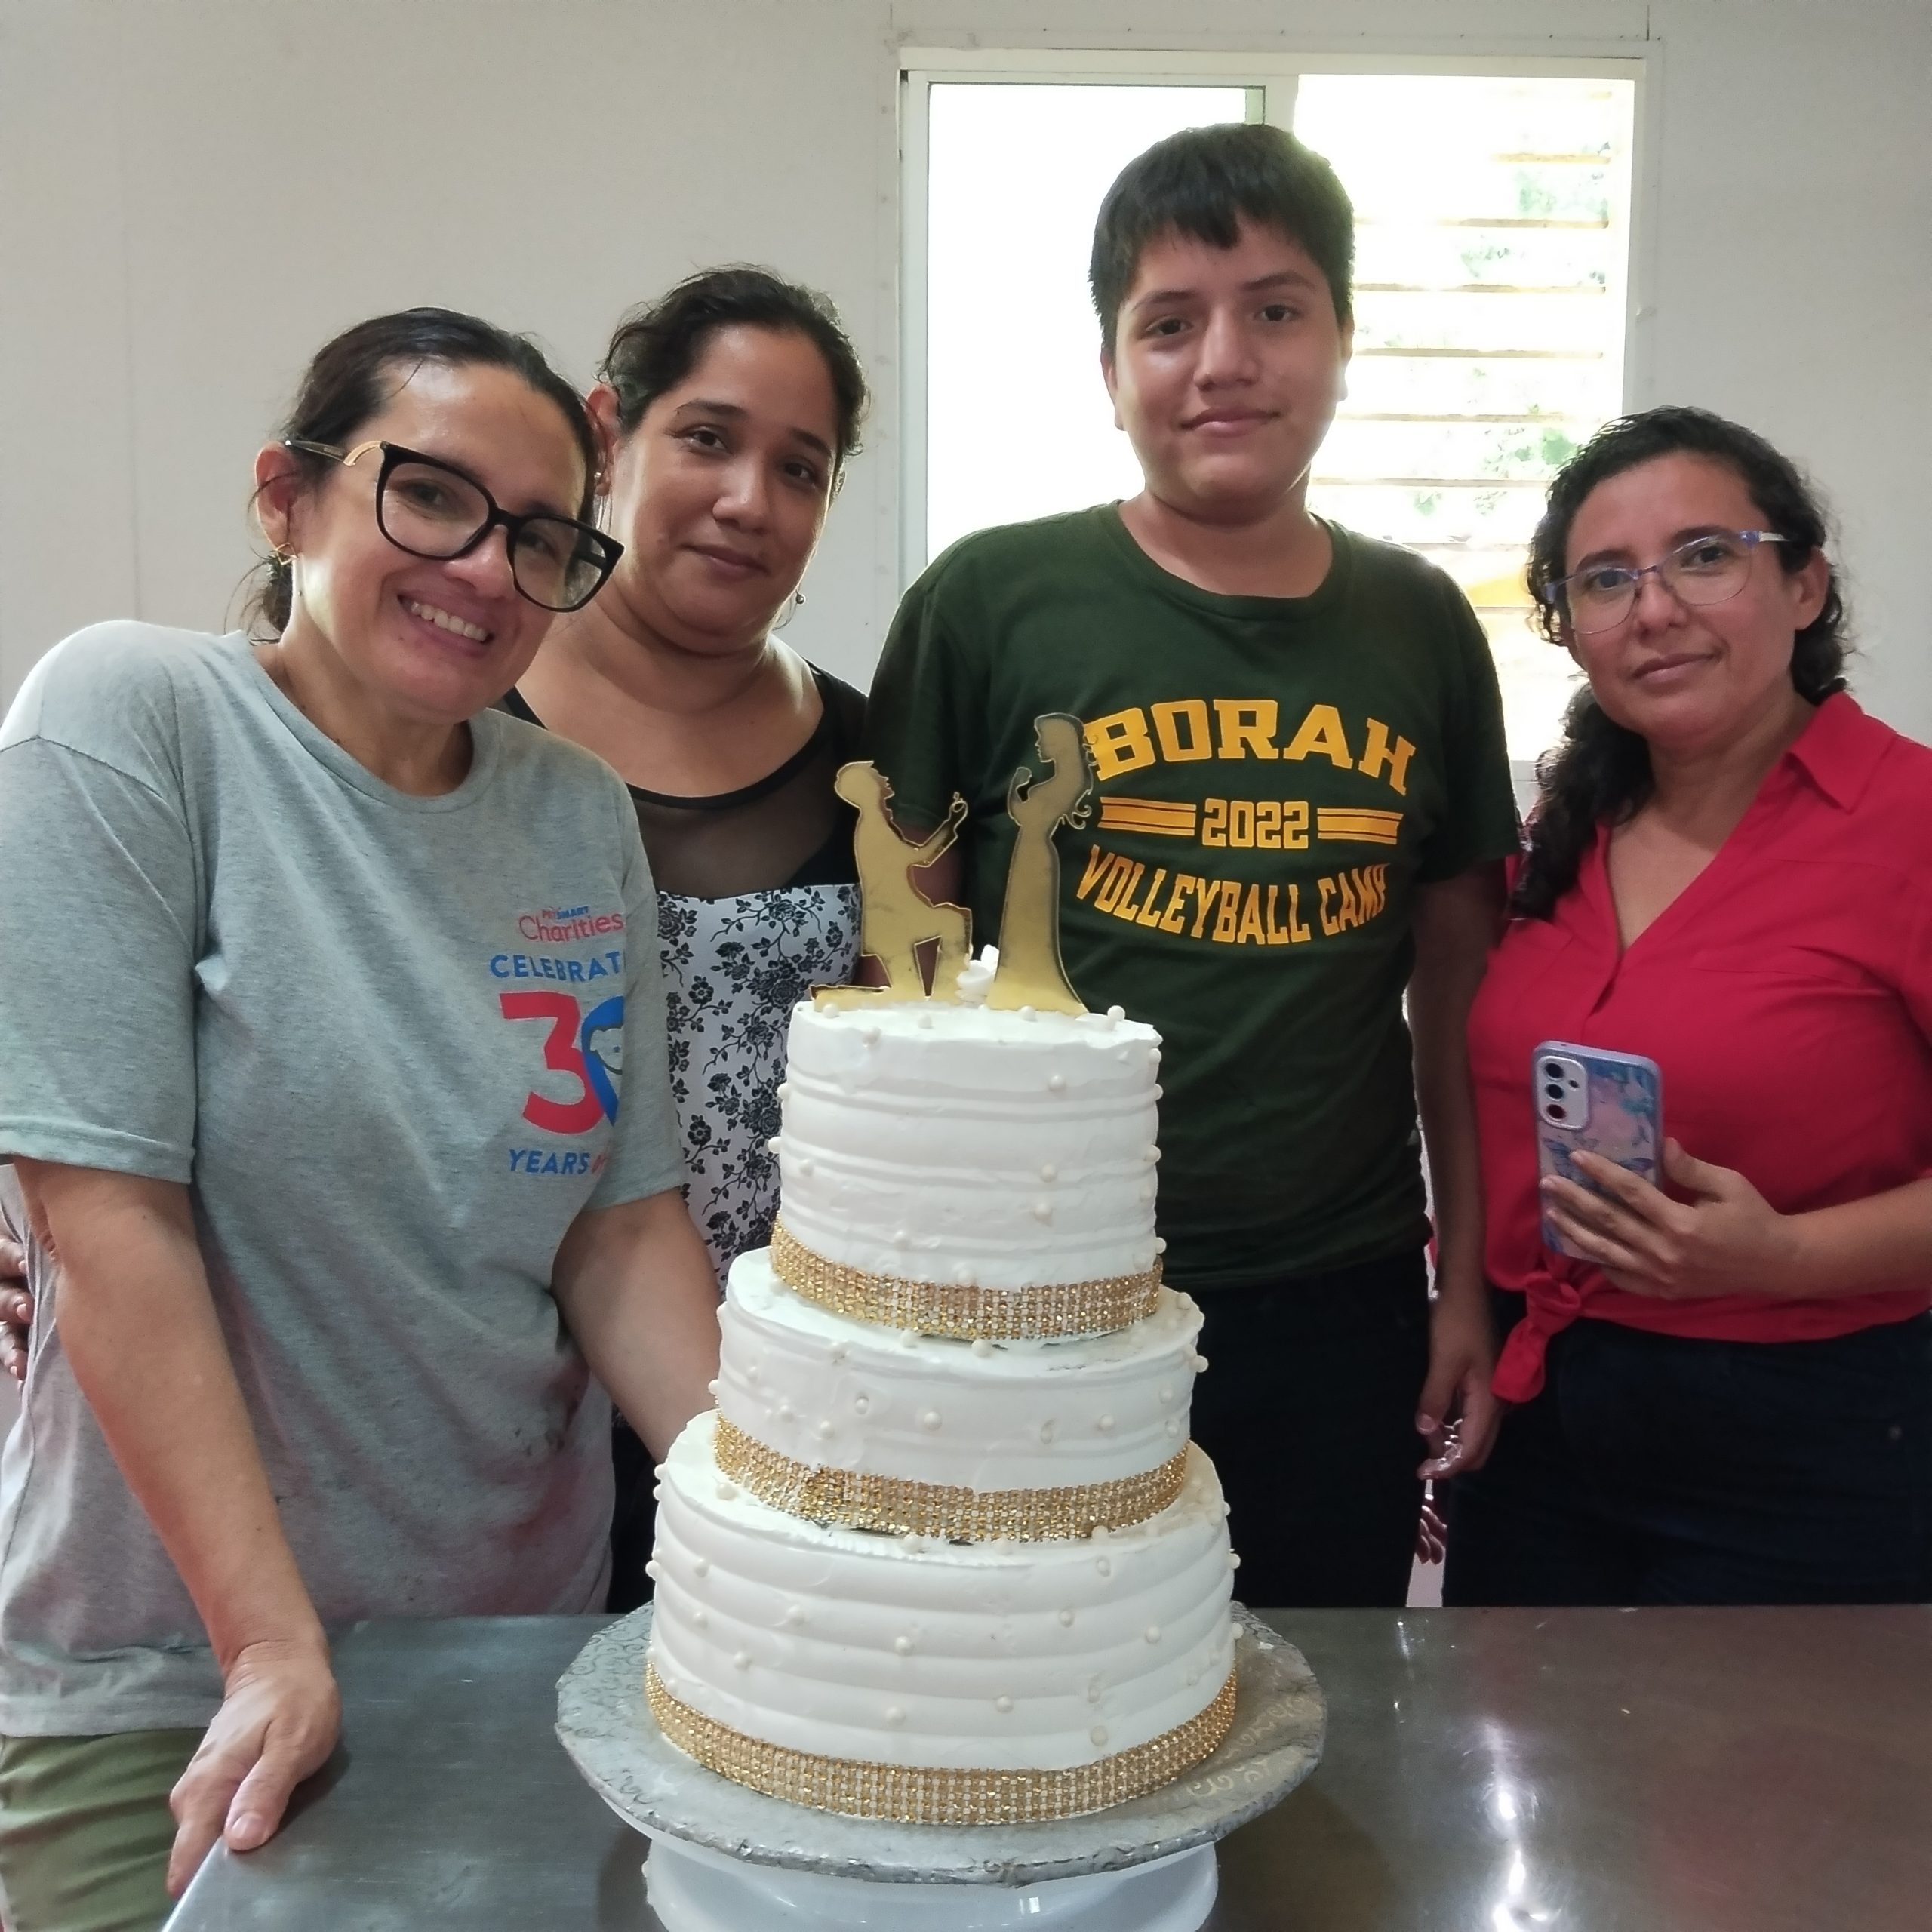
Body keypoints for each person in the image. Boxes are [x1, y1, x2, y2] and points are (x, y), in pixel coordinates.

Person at [0, 309, 723, 1931]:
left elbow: (616, 1230)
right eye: (433, 496)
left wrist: (797, 1533)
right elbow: (108, 1216)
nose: (483, 567)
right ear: (288, 496)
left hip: (507, 1656)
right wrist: (270, 1643)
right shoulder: (133, 719)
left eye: (542, 537)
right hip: (170, 1671)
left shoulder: (572, 810)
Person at [864, 122, 1521, 1608]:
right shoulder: (988, 600)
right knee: (1045, 1683)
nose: (1222, 358)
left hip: (1334, 1287)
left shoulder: (1417, 626)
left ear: (1341, 342)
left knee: (1320, 1693)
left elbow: (1457, 992)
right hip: (1042, 1283)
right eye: (1168, 322)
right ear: (1109, 370)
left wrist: (1462, 1277)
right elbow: (897, 969)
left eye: (1274, 310)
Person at [1445, 405, 1932, 1606]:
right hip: (1545, 1424)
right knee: (1528, 1779)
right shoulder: (1554, 844)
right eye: (1604, 581)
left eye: (1705, 556)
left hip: (1819, 1438)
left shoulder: (1911, 824)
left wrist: (1786, 1253)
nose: (1653, 610)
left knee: (1773, 1788)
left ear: (1805, 583)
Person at [505, 267, 869, 1607]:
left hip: (789, 1418)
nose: (748, 502)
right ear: (611, 435)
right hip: (484, 1412)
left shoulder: (867, 760)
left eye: (801, 469)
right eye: (707, 438)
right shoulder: (455, 720)